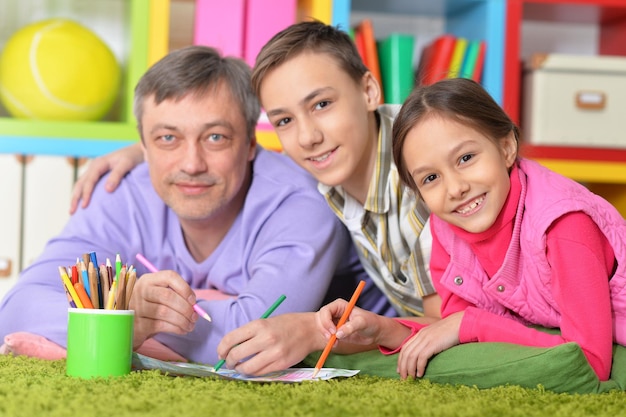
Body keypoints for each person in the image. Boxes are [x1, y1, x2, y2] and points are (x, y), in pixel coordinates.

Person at [68, 21, 440, 375]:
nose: (308, 136)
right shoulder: (329, 167)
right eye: (284, 121)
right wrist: (147, 149)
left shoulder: (423, 172)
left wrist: (314, 329)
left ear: (369, 91)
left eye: (322, 104)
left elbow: (451, 325)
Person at [0, 45, 391, 364]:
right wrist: (131, 322)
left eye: (216, 138)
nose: (191, 164)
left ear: (252, 143)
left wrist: (122, 317)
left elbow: (254, 334)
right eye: (167, 138)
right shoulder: (120, 192)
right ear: (143, 145)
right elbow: (17, 307)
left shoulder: (301, 199)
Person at [314, 77, 626, 381]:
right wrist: (383, 329)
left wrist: (470, 325)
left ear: (506, 148)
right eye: (430, 178)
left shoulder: (563, 225)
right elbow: (451, 328)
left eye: (465, 158)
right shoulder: (447, 226)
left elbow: (589, 362)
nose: (455, 188)